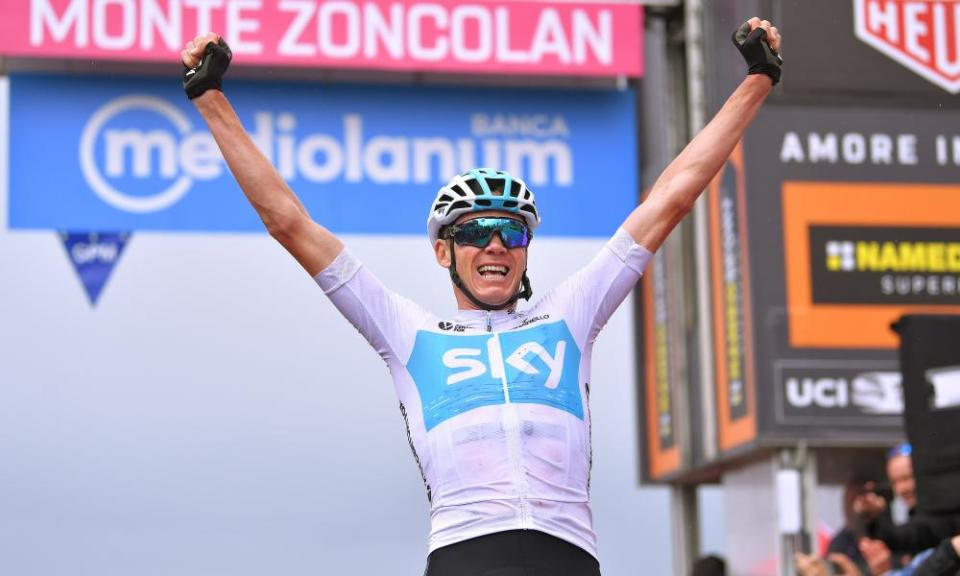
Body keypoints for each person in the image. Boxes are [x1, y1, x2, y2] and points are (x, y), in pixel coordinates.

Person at [179, 16, 783, 576]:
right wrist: (210, 96)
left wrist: (757, 79)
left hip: (567, 553)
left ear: (525, 249)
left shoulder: (569, 313)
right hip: (465, 553)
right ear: (445, 252)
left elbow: (670, 200)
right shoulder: (407, 330)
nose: (493, 245)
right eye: (472, 232)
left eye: (511, 231)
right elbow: (290, 224)